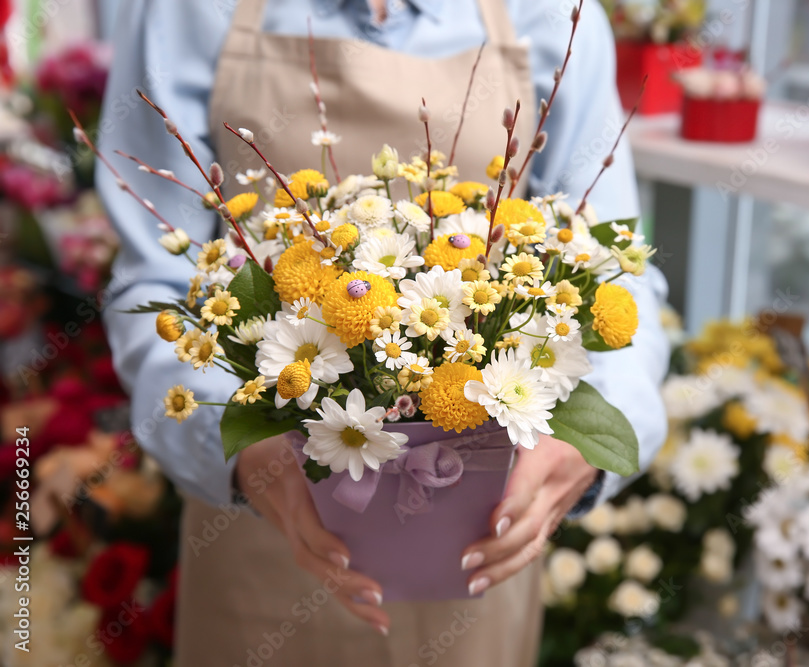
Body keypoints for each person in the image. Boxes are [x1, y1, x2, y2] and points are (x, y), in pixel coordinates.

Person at [99, 0, 669, 664]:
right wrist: (238, 455)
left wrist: (586, 451)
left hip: (483, 551)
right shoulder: (186, 12)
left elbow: (611, 270)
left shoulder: (550, 14)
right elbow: (156, 284)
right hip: (261, 544)